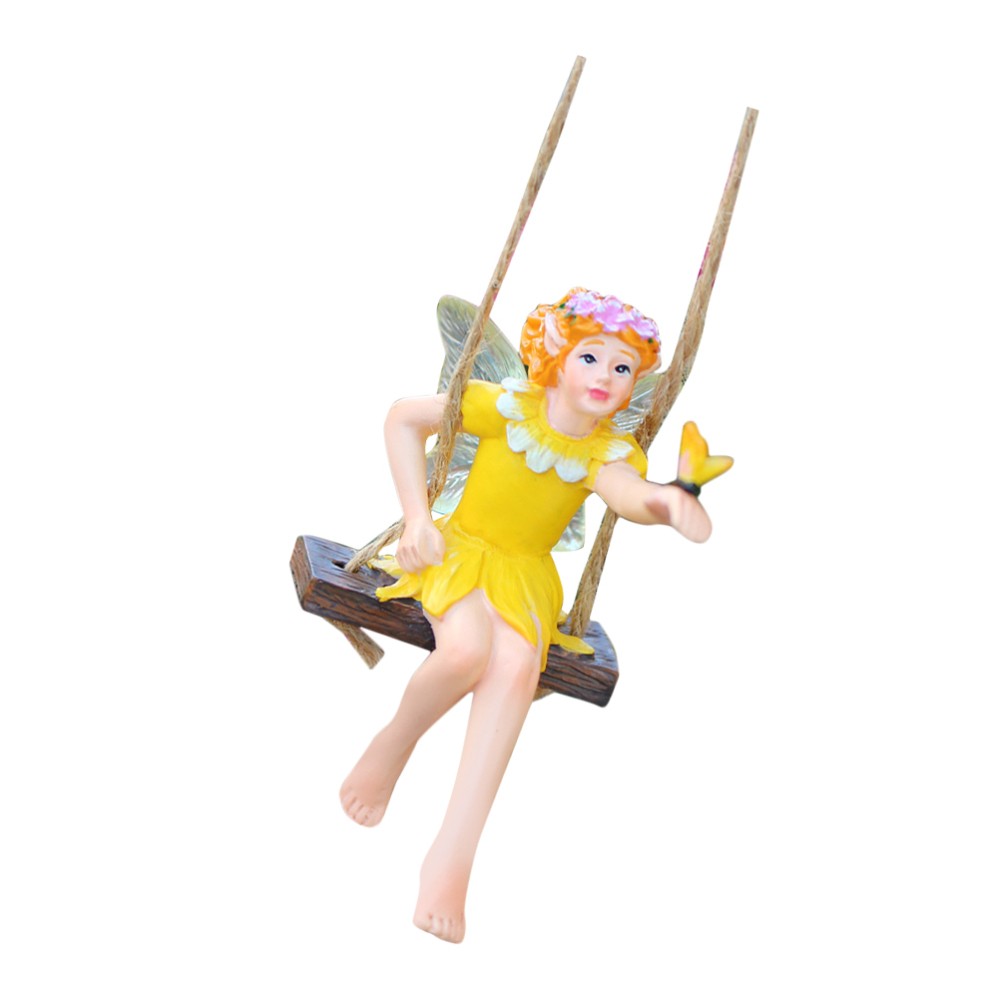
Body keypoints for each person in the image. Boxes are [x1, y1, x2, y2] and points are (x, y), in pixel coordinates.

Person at [339, 288, 726, 943]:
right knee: (465, 651)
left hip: (523, 579)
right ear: (555, 355)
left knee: (516, 668)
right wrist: (416, 518)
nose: (606, 376)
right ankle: (392, 746)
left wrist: (669, 502)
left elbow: (627, 495)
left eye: (623, 368)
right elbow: (404, 419)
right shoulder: (506, 408)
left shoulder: (606, 452)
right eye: (591, 357)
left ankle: (452, 858)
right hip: (460, 552)